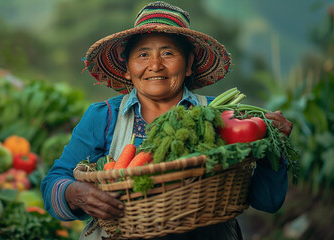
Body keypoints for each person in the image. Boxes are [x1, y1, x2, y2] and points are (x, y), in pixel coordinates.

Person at [41, 2, 293, 239]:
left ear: (188, 64)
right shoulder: (103, 117)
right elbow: (54, 182)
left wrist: (273, 144)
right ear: (127, 68)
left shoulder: (223, 116)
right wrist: (74, 193)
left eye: (168, 53)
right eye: (142, 55)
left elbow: (268, 202)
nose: (155, 65)